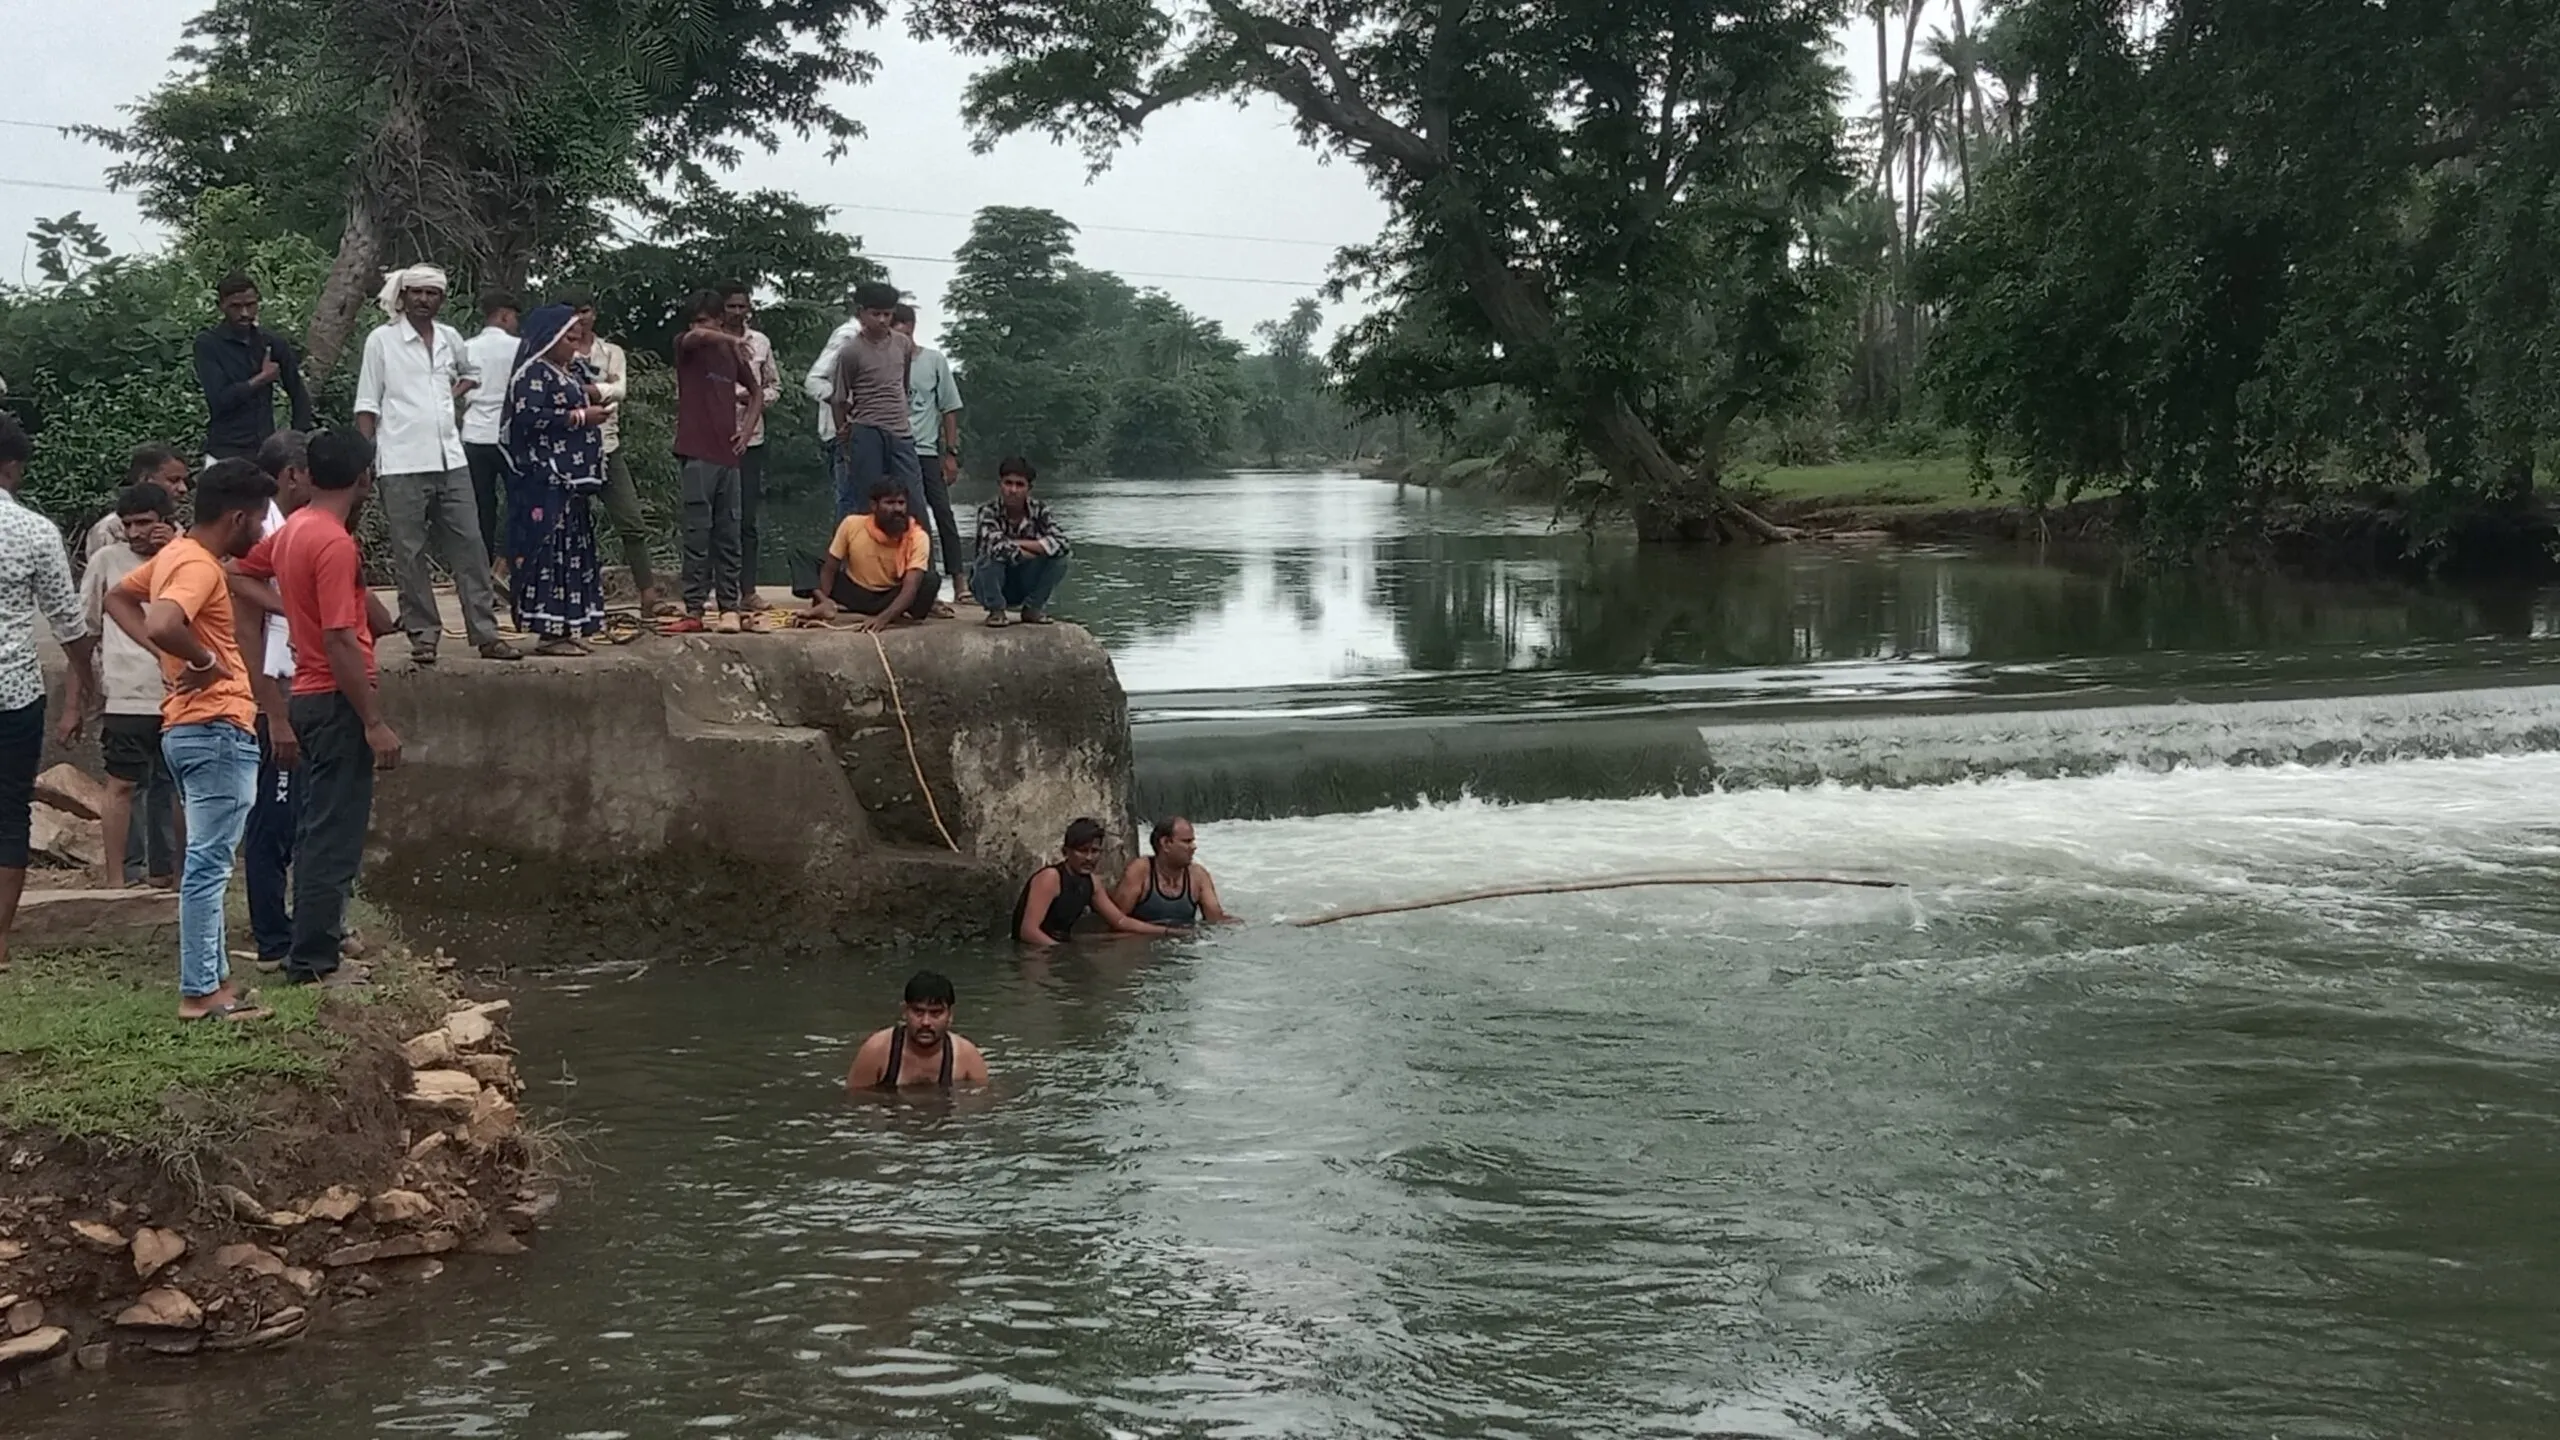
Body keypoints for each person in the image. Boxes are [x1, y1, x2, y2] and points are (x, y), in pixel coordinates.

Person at [103, 458, 276, 1020]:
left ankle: (217, 982)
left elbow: (119, 601)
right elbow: (160, 621)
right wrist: (200, 658)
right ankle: (201, 992)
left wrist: (167, 658)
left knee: (207, 859)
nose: (261, 532)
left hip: (187, 724)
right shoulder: (198, 566)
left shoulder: (172, 556)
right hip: (216, 726)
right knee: (208, 864)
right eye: (258, 521)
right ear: (238, 516)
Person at [237, 429, 402, 988]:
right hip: (334, 698)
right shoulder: (332, 542)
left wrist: (288, 605)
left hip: (305, 694)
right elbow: (338, 639)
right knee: (333, 834)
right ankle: (314, 962)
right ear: (363, 478)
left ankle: (312, 946)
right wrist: (374, 720)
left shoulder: (293, 531)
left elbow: (239, 571)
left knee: (314, 829)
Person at [353, 263, 522, 665]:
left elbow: (471, 373)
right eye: (417, 293)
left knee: (470, 545)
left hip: (451, 455)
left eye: (432, 294)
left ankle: (485, 633)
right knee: (410, 552)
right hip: (400, 459)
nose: (424, 300)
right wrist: (364, 458)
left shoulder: (449, 338)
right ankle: (423, 635)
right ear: (403, 296)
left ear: (441, 299)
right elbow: (367, 403)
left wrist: (451, 393)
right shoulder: (383, 340)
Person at [0, 413, 97, 973]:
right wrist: (86, 684)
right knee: (10, 812)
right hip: (12, 691)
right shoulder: (35, 531)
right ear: (13, 466)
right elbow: (68, 621)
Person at [76, 484, 181, 893]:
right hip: (126, 694)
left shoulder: (185, 555)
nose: (136, 533)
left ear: (165, 521)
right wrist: (82, 695)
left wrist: (175, 545)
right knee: (121, 784)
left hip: (178, 692)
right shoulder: (106, 561)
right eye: (129, 524)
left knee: (174, 788)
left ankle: (174, 877)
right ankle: (117, 881)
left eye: (145, 523)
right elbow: (85, 629)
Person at [241, 431, 316, 966]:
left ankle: (297, 922)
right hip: (272, 691)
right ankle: (272, 938)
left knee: (295, 815)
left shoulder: (289, 527)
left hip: (293, 682)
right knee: (273, 816)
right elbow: (240, 600)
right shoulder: (262, 532)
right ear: (293, 475)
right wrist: (275, 713)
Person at [501, 303, 609, 656]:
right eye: (568, 338)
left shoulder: (570, 370)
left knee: (573, 552)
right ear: (549, 339)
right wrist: (579, 417)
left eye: (578, 338)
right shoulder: (533, 374)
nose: (575, 345)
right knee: (549, 551)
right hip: (544, 479)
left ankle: (568, 625)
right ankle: (548, 631)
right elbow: (528, 417)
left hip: (571, 481)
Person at [555, 290, 655, 613]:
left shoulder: (611, 352)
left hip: (607, 447)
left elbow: (618, 393)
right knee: (567, 527)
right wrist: (596, 392)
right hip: (569, 450)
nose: (579, 319)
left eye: (584, 311)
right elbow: (556, 396)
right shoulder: (555, 353)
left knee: (632, 522)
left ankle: (648, 595)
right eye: (572, 313)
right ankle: (568, 599)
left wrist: (584, 391)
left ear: (593, 314)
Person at [672, 288, 762, 633]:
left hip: (728, 455)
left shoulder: (730, 353)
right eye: (695, 320)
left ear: (719, 319)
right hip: (697, 451)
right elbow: (695, 336)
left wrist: (747, 430)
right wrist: (727, 337)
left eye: (706, 319)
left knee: (729, 534)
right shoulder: (688, 345)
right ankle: (694, 608)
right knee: (697, 532)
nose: (699, 326)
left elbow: (756, 392)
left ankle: (730, 607)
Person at [827, 281, 923, 523]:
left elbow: (903, 384)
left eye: (887, 314)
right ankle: (864, 559)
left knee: (913, 501)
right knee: (867, 502)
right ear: (860, 313)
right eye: (876, 313)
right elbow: (839, 398)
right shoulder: (851, 351)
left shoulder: (902, 344)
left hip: (900, 432)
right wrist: (844, 433)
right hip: (867, 430)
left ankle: (917, 559)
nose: (882, 320)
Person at [194, 271, 314, 463]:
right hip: (225, 451)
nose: (244, 313)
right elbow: (219, 400)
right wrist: (261, 379)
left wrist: (297, 439)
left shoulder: (271, 342)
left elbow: (298, 394)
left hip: (265, 452)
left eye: (250, 305)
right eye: (236, 306)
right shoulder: (208, 344)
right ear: (221, 306)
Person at [892, 304, 966, 593]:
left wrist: (950, 453)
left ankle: (959, 581)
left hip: (925, 451)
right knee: (906, 516)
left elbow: (949, 409)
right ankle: (917, 581)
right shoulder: (884, 364)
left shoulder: (934, 361)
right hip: (896, 449)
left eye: (904, 330)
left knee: (943, 514)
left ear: (912, 327)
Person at [1011, 817, 1174, 948]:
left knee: (1127, 937)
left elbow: (1120, 921)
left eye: (1094, 851)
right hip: (1032, 952)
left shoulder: (1091, 883)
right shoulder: (1050, 878)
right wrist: (1062, 955)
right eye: (1082, 851)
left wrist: (1166, 932)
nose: (1089, 858)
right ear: (1065, 852)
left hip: (1061, 945)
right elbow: (1028, 931)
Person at [718, 281, 782, 608]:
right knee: (714, 517)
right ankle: (717, 591)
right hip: (713, 439)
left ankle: (748, 591)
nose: (738, 312)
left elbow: (773, 387)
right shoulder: (709, 340)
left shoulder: (760, 343)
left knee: (746, 520)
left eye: (743, 306)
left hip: (751, 438)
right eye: (731, 306)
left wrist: (752, 397)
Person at [807, 481, 939, 631]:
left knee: (930, 580)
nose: (897, 509)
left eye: (901, 503)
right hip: (855, 592)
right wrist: (820, 602)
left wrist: (882, 619)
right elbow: (830, 567)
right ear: (874, 506)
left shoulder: (918, 537)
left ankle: (896, 613)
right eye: (889, 503)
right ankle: (826, 605)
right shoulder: (851, 524)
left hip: (889, 596)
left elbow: (911, 586)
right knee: (803, 561)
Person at [458, 289, 522, 578]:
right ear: (505, 316)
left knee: (480, 506)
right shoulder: (520, 347)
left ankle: (479, 571)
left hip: (473, 434)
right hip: (509, 435)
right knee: (517, 502)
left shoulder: (466, 347)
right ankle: (508, 564)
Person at [846, 970, 988, 1092]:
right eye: (918, 1012)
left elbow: (982, 1109)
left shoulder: (966, 1057)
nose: (925, 1022)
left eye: (936, 1013)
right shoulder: (877, 1050)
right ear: (904, 1011)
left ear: (950, 1015)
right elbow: (853, 1103)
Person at [972, 458, 1071, 628]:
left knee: (1062, 558)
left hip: (1023, 580)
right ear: (1000, 485)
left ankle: (1033, 608)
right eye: (1008, 483)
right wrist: (1038, 549)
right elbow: (997, 548)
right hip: (990, 583)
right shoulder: (988, 511)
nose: (1013, 490)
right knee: (989, 557)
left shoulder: (1040, 510)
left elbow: (1062, 543)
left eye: (1019, 485)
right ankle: (996, 610)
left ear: (1028, 489)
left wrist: (1015, 543)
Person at [1112, 816, 1237, 928]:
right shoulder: (1141, 871)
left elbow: (1215, 921)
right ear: (1165, 843)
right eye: (1187, 841)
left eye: (1193, 841)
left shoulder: (1198, 875)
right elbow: (1116, 921)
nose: (1194, 847)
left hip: (1183, 943)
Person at [84, 445, 191, 561]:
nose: (183, 488)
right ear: (145, 479)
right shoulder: (108, 529)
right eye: (173, 480)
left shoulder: (176, 528)